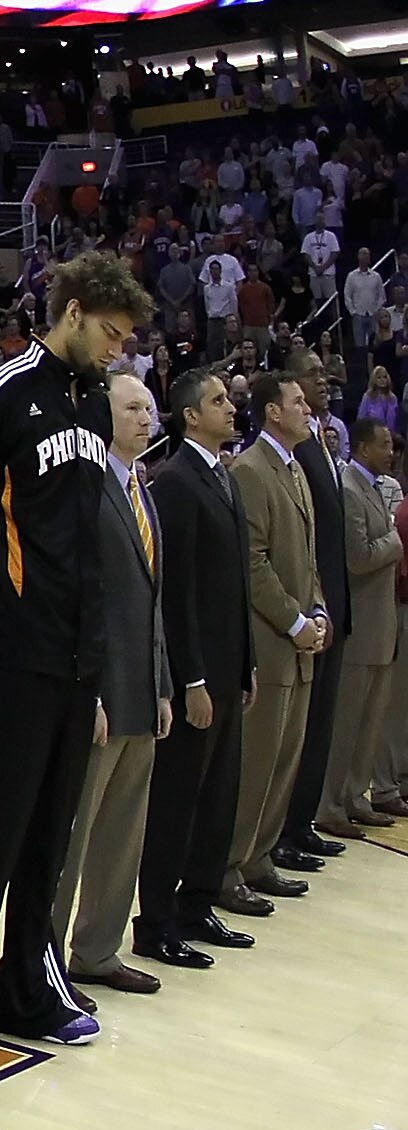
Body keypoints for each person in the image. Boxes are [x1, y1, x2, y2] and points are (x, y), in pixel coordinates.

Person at [0, 250, 152, 1093]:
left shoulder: (90, 406)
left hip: (73, 654)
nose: (117, 350)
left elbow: (81, 544)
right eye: (111, 333)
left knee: (49, 835)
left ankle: (25, 986)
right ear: (74, 312)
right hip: (5, 650)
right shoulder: (4, 390)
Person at [45, 373, 174, 998]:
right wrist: (87, 691)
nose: (147, 417)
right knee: (74, 833)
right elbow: (79, 597)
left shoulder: (141, 490)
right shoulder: (90, 488)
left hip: (143, 692)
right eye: (133, 408)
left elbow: (152, 604)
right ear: (104, 416)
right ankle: (41, 955)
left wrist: (165, 685)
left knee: (123, 834)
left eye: (150, 407)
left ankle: (96, 951)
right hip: (99, 691)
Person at [138, 370, 259, 967]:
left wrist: (246, 665)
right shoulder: (176, 483)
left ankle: (198, 905)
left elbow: (233, 586)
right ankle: (156, 919)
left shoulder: (223, 479)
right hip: (197, 676)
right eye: (217, 401)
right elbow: (175, 594)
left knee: (217, 796)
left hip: (228, 665)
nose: (230, 408)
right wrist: (191, 679)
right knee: (178, 799)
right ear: (190, 416)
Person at [225, 371, 333, 908]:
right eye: (297, 402)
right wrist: (294, 621)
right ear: (272, 411)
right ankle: (228, 869)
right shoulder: (250, 469)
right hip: (270, 642)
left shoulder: (294, 470)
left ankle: (260, 858)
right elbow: (252, 560)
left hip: (298, 640)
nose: (308, 409)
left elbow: (306, 557)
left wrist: (317, 610)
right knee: (257, 763)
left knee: (285, 760)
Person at [279, 356, 352, 866]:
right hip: (306, 611)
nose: (320, 381)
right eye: (308, 376)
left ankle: (301, 823)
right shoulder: (296, 454)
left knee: (319, 726)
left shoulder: (322, 442)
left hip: (330, 608)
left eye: (322, 375)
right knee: (296, 734)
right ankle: (282, 830)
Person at [322, 420, 400, 832]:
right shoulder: (351, 489)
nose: (391, 451)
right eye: (384, 444)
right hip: (359, 627)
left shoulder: (373, 487)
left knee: (369, 723)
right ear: (365, 447)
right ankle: (330, 805)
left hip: (380, 628)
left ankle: (355, 796)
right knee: (347, 723)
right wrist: (395, 539)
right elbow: (359, 557)